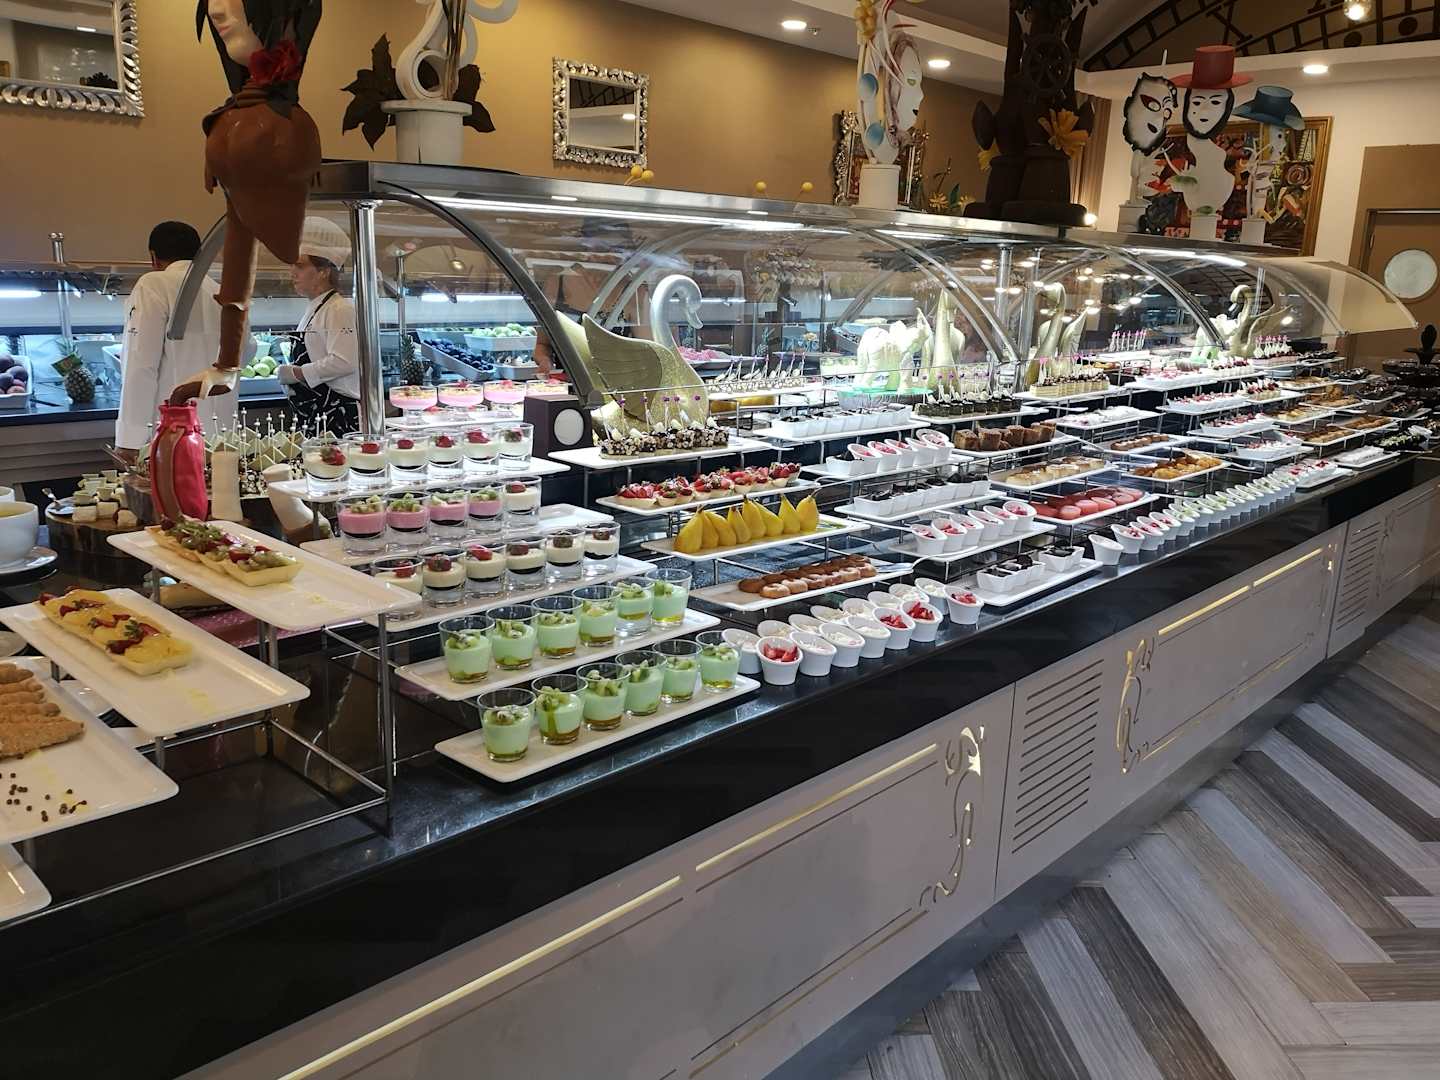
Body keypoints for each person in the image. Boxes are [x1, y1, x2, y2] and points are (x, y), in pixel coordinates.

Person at [115, 221, 243, 462]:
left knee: (175, 485)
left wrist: (129, 441)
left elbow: (140, 365)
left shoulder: (153, 284)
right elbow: (247, 349)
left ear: (154, 257)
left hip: (173, 433)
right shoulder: (223, 292)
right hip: (222, 434)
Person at [273, 218, 361, 435]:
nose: (292, 272)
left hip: (337, 413)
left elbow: (344, 362)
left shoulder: (339, 309)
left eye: (300, 266)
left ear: (324, 271)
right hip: (316, 412)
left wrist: (298, 372)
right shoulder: (316, 308)